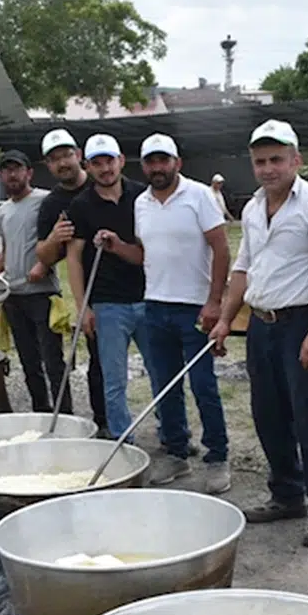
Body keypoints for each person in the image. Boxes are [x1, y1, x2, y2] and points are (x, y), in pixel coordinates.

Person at [209, 120, 308, 548]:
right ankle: (286, 493)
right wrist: (225, 318)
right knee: (268, 414)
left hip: (301, 323)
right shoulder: (252, 208)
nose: (268, 169)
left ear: (296, 160)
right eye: (260, 162)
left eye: (276, 159)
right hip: (261, 325)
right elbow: (242, 268)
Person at [97, 133, 231, 492]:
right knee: (164, 387)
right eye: (151, 162)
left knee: (204, 385)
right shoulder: (141, 203)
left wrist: (215, 300)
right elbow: (144, 255)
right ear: (144, 166)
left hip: (195, 306)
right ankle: (176, 453)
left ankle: (217, 457)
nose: (158, 167)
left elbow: (221, 249)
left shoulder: (200, 196)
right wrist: (116, 247)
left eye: (164, 160)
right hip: (154, 306)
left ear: (177, 163)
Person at [66, 134, 149, 441]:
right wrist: (82, 306)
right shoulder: (81, 205)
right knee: (114, 379)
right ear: (88, 166)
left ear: (121, 161)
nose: (105, 169)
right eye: (97, 163)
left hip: (148, 298)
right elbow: (73, 258)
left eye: (109, 161)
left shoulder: (143, 196)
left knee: (162, 372)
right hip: (107, 303)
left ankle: (173, 436)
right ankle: (121, 438)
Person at [33, 128, 109, 437]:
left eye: (66, 154)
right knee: (99, 361)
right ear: (48, 165)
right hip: (89, 288)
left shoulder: (103, 182)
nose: (62, 162)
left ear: (78, 155)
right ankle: (102, 422)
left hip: (128, 284)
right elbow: (45, 255)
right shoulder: (51, 205)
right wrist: (54, 239)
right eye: (54, 159)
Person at [0, 150, 67, 413]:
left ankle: (64, 414)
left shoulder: (45, 200)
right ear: (1, 175)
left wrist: (44, 264)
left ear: (28, 173)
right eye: (7, 170)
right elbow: (7, 248)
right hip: (14, 296)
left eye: (17, 169)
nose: (12, 174)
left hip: (42, 294)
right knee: (29, 362)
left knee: (53, 360)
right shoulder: (3, 211)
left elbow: (61, 239)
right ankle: (41, 410)